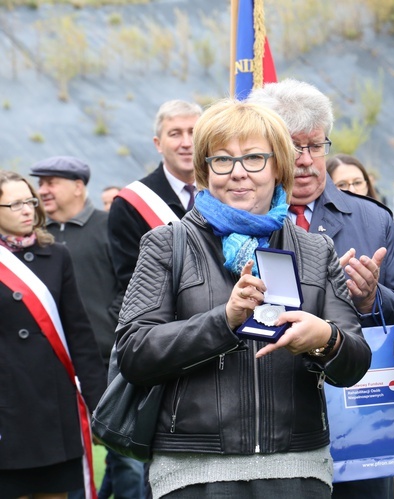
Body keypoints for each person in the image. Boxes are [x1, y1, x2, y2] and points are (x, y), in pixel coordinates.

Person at [115, 99, 371, 498]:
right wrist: (225, 320)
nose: (238, 173)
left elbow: (355, 362)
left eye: (254, 158)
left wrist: (325, 339)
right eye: (222, 160)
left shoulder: (316, 250)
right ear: (204, 170)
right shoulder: (167, 244)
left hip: (297, 470)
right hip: (194, 474)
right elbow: (134, 354)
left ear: (278, 167)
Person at [248, 80, 394, 499]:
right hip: (269, 418)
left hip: (361, 418)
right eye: (292, 146)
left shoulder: (373, 220)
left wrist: (372, 298)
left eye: (315, 146)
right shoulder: (236, 221)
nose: (305, 161)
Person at [30, 157, 144, 499]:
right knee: (70, 455)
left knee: (126, 457)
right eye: (41, 183)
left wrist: (110, 324)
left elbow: (134, 284)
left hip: (112, 365)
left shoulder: (109, 225)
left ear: (79, 186)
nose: (43, 190)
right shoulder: (37, 238)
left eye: (52, 182)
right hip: (56, 370)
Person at [0, 171, 106, 499]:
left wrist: (98, 402)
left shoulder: (56, 255)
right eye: (15, 204)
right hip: (7, 406)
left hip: (52, 406)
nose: (27, 209)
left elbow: (79, 333)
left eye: (29, 201)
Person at [108, 99, 202, 291]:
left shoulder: (226, 192)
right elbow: (131, 281)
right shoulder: (130, 204)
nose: (186, 143)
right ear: (158, 144)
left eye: (193, 133)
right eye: (175, 134)